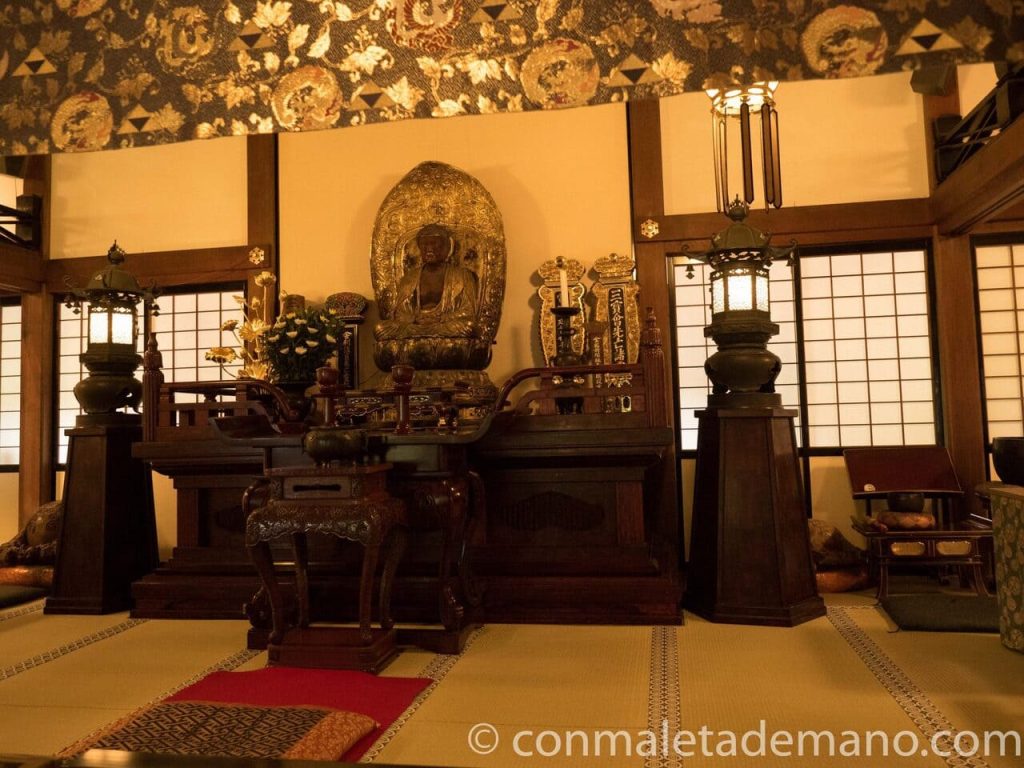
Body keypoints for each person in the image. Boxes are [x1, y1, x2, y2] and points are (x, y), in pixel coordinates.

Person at [376, 223, 479, 340]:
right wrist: (415, 319)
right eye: (425, 244)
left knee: (469, 327)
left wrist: (441, 319)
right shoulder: (409, 278)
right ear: (419, 248)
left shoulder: (462, 275)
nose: (429, 248)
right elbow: (399, 313)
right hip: (416, 325)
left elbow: (468, 311)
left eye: (434, 244)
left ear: (446, 248)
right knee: (380, 329)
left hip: (445, 324)